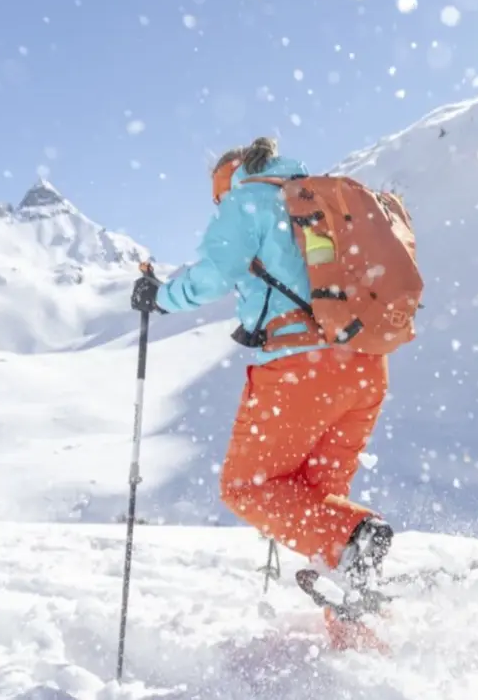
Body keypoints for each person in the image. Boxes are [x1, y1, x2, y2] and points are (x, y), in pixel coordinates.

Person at [130, 137, 395, 591]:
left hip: (301, 369)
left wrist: (160, 297)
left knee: (246, 487)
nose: (218, 204)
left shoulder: (247, 199)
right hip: (366, 365)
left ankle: (360, 535)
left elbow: (214, 273)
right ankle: (358, 636)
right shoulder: (321, 198)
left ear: (226, 178)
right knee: (320, 505)